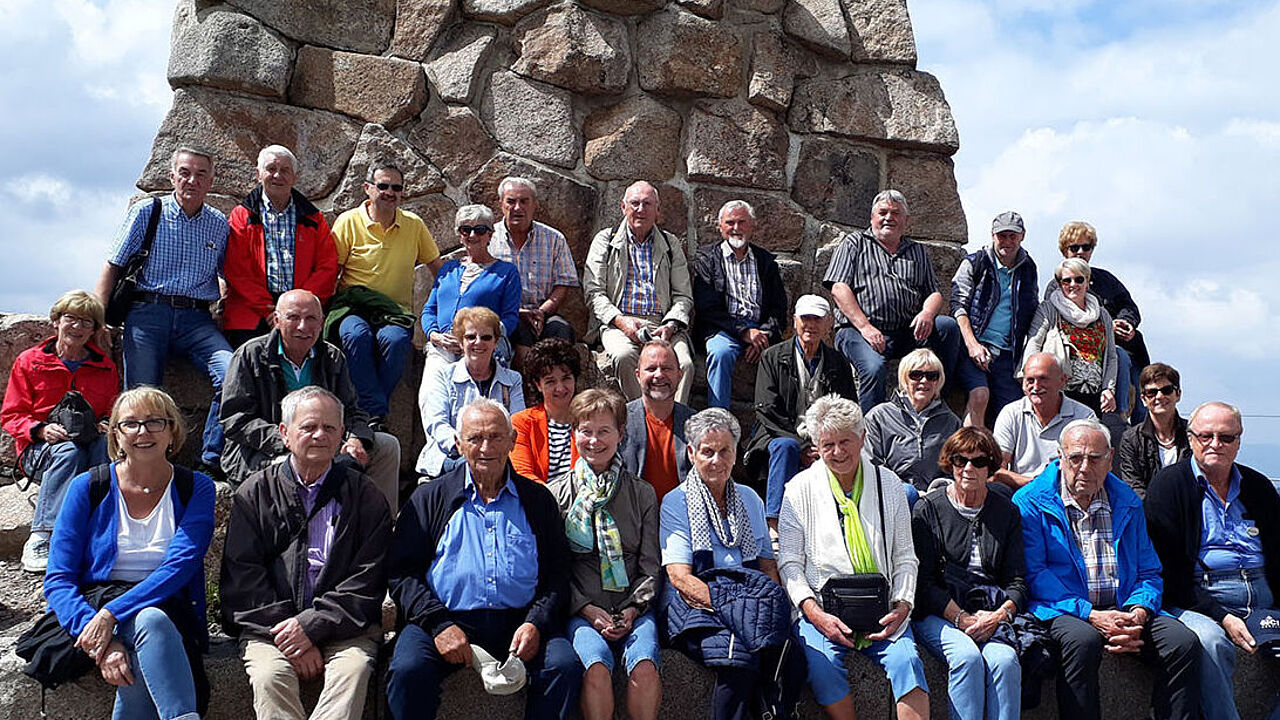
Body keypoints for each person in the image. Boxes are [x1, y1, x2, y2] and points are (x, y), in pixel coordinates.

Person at [386, 398, 582, 720]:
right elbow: (402, 573)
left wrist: (536, 621)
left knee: (564, 666)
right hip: (444, 617)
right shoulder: (429, 498)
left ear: (512, 441)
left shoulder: (537, 500)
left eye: (495, 436)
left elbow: (559, 572)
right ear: (460, 444)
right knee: (407, 671)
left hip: (520, 620)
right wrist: (438, 625)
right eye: (475, 438)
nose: (485, 447)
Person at [220, 387, 392, 720]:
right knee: (271, 678)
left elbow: (368, 578)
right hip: (270, 628)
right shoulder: (254, 493)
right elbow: (243, 578)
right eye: (309, 427)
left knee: (353, 672)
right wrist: (291, 632)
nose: (319, 435)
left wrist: (311, 626)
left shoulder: (365, 496)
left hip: (345, 628)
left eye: (329, 428)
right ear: (285, 434)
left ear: (342, 435)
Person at [44, 387, 215, 719]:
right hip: (92, 607)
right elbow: (59, 579)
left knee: (150, 620)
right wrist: (98, 636)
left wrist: (113, 617)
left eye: (155, 422)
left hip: (168, 604)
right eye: (130, 424)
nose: (143, 432)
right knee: (148, 625)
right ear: (116, 436)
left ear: (172, 432)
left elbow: (180, 566)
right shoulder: (87, 486)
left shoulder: (196, 487)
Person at [1013, 419, 1200, 720]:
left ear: (1110, 459)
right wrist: (1091, 614)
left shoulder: (1127, 500)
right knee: (1082, 641)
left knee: (1182, 642)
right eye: (1075, 458)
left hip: (1125, 605)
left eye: (1095, 458)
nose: (1084, 467)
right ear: (1060, 458)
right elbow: (1035, 575)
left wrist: (1138, 612)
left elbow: (1149, 571)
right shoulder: (1030, 502)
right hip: (1063, 609)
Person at [777, 394, 930, 720]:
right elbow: (789, 562)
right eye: (827, 444)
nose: (837, 452)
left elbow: (905, 556)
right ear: (816, 446)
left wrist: (902, 605)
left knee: (909, 664)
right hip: (822, 607)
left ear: (861, 438)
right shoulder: (798, 488)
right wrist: (814, 613)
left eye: (845, 441)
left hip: (883, 606)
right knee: (821, 666)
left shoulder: (889, 484)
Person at [93, 146, 233, 479]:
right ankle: (138, 465)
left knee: (232, 373)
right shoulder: (148, 211)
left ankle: (210, 460)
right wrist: (98, 318)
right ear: (172, 176)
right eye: (185, 172)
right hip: (147, 312)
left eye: (201, 174)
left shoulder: (219, 224)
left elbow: (228, 275)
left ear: (211, 181)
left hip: (196, 318)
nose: (192, 180)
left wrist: (225, 304)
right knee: (141, 396)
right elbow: (113, 265)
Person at [660, 408, 805, 720]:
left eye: (724, 451)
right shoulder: (677, 501)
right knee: (737, 657)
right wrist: (734, 609)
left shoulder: (750, 498)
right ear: (691, 453)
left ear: (736, 453)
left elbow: (767, 566)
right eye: (707, 452)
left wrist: (766, 607)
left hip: (748, 599)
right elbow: (680, 577)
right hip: (696, 606)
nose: (716, 460)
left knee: (791, 653)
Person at [1145, 402, 1280, 720]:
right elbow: (1169, 573)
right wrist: (1222, 616)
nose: (1215, 445)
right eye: (1206, 436)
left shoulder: (1258, 486)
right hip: (1197, 598)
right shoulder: (1169, 487)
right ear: (1190, 438)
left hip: (1262, 592)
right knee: (1210, 643)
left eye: (1225, 437)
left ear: (1239, 440)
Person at [219, 289, 402, 512]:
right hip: (263, 450)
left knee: (387, 446)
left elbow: (352, 410)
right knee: (289, 468)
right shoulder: (250, 356)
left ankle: (380, 525)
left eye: (311, 318)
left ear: (322, 322)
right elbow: (235, 420)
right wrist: (290, 440)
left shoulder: (332, 357)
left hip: (322, 441)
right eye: (293, 317)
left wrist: (356, 439)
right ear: (277, 320)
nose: (303, 327)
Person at [548, 389, 661, 720]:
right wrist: (586, 609)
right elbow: (556, 568)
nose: (594, 440)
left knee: (644, 666)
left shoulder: (642, 493)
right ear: (573, 434)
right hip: (581, 609)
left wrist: (632, 610)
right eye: (585, 431)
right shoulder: (556, 494)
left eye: (604, 431)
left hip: (633, 608)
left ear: (620, 434)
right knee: (595, 665)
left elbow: (651, 565)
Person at [911, 427, 1025, 720]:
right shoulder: (928, 509)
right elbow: (922, 585)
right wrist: (961, 618)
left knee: (1006, 660)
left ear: (991, 466)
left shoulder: (1007, 512)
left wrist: (998, 616)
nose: (968, 468)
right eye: (960, 460)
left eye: (978, 461)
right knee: (966, 656)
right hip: (938, 612)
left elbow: (1017, 582)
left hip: (990, 611)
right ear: (950, 463)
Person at [3, 290, 118, 573]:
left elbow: (113, 410)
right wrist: (40, 430)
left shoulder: (105, 367)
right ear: (56, 321)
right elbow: (11, 415)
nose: (77, 327)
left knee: (106, 447)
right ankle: (41, 536)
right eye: (71, 319)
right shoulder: (30, 361)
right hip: (39, 452)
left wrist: (105, 422)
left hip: (89, 448)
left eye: (87, 322)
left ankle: (97, 532)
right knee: (68, 451)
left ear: (94, 329)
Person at [823, 189, 961, 413]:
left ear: (905, 221)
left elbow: (934, 293)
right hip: (857, 332)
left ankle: (937, 404)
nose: (889, 218)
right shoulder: (854, 243)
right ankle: (872, 432)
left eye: (895, 213)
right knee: (874, 368)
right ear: (872, 217)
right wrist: (865, 327)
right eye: (883, 212)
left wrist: (927, 313)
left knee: (948, 327)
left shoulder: (917, 251)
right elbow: (838, 288)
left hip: (905, 332)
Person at [329, 163, 443, 423]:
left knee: (396, 342)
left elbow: (439, 269)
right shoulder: (348, 222)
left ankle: (366, 411)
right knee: (356, 336)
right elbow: (331, 270)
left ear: (402, 193)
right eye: (382, 186)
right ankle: (375, 413)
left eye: (396, 187)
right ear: (368, 188)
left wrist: (454, 304)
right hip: (353, 309)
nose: (389, 192)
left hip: (394, 312)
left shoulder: (414, 225)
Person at [742, 295, 857, 531]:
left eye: (817, 319)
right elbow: (766, 408)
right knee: (786, 447)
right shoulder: (772, 357)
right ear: (794, 321)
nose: (811, 325)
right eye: (805, 318)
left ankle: (840, 524)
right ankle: (774, 522)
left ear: (828, 324)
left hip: (824, 438)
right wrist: (802, 445)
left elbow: (847, 409)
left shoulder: (838, 363)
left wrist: (823, 444)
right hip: (778, 433)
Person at [583, 181, 695, 403]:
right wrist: (622, 321)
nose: (640, 209)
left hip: (663, 324)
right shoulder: (605, 241)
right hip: (619, 324)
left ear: (658, 210)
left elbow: (683, 296)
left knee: (685, 365)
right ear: (623, 207)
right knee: (624, 357)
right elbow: (593, 292)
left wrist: (671, 325)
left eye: (647, 204)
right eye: (635, 203)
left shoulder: (670, 244)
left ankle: (673, 421)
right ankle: (643, 419)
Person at [223, 144, 338, 348]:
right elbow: (236, 269)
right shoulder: (242, 216)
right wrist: (270, 311)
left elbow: (327, 267)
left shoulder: (313, 218)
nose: (278, 175)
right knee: (249, 369)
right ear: (259, 174)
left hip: (301, 311)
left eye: (285, 170)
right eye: (271, 169)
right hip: (253, 311)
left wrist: (296, 308)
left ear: (294, 178)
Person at [692, 200, 789, 409]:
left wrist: (763, 336)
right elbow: (707, 307)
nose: (736, 228)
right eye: (730, 223)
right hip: (723, 329)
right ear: (720, 227)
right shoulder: (707, 259)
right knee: (720, 354)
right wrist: (744, 332)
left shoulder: (765, 261)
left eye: (742, 222)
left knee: (784, 358)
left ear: (752, 225)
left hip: (760, 329)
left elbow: (779, 307)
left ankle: (768, 428)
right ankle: (718, 421)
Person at [1052, 222, 1150, 423]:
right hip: (1087, 350)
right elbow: (1057, 319)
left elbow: (1129, 306)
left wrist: (1126, 322)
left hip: (1127, 345)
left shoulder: (1106, 279)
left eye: (1086, 247)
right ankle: (1118, 417)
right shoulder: (1058, 284)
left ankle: (1143, 430)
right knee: (1119, 356)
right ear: (1065, 251)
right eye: (1074, 248)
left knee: (1146, 383)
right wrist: (1105, 329)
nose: (1080, 252)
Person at [950, 211, 1038, 428]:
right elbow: (957, 306)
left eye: (1012, 236)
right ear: (992, 235)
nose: (1007, 241)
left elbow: (1032, 311)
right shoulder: (974, 262)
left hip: (1008, 354)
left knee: (1015, 410)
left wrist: (1026, 361)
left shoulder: (1029, 268)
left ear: (1022, 236)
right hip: (974, 347)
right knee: (980, 396)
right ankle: (971, 455)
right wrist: (973, 346)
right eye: (1002, 236)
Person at [417, 307, 525, 478]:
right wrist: (468, 450)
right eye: (470, 337)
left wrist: (490, 451)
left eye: (486, 337)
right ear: (460, 342)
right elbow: (437, 424)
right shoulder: (442, 376)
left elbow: (517, 425)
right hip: (449, 455)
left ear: (496, 342)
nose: (478, 342)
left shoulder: (513, 380)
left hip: (496, 456)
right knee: (472, 467)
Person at [420, 203, 522, 378]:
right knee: (433, 398)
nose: (472, 235)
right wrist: (435, 335)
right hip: (443, 347)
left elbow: (510, 317)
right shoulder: (448, 269)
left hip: (481, 350)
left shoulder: (506, 272)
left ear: (490, 234)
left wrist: (477, 340)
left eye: (480, 230)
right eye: (466, 230)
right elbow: (430, 309)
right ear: (460, 235)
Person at [487, 176, 580, 365]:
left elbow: (563, 284)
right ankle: (526, 392)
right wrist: (518, 312)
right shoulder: (489, 239)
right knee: (518, 333)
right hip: (504, 315)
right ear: (500, 204)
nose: (517, 208)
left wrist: (541, 313)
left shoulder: (554, 239)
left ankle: (557, 390)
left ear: (535, 204)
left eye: (524, 201)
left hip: (544, 314)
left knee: (561, 332)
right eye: (511, 201)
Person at [864, 349, 962, 506]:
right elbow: (871, 463)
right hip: (891, 493)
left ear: (939, 381)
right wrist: (910, 491)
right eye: (916, 375)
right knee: (908, 494)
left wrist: (939, 487)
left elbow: (957, 465)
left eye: (932, 376)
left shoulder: (951, 422)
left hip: (935, 495)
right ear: (905, 378)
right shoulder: (879, 416)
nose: (924, 381)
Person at [1024, 258, 1118, 416]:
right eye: (1067, 280)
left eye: (1079, 279)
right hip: (1060, 392)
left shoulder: (1103, 315)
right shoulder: (1049, 309)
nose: (1073, 285)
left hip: (1094, 395)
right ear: (1060, 284)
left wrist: (1109, 389)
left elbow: (1111, 356)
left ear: (1087, 281)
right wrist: (1029, 378)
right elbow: (1034, 343)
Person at [992, 353, 1096, 489]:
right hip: (1024, 493)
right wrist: (1036, 484)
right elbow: (997, 470)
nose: (1036, 387)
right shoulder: (1011, 413)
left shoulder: (1084, 417)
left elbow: (1094, 467)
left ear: (1063, 380)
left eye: (1043, 379)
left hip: (1069, 492)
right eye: (1030, 380)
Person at [618, 340, 693, 502]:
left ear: (679, 375)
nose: (659, 375)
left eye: (666, 368)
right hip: (633, 519)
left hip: (683, 520)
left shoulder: (695, 424)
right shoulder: (619, 421)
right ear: (638, 376)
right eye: (651, 369)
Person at [511, 338, 581, 484]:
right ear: (538, 385)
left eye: (566, 378)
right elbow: (523, 473)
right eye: (550, 381)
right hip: (540, 501)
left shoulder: (590, 419)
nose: (560, 388)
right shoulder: (521, 423)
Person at [1117, 363, 1190, 498]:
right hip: (1148, 514)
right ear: (1143, 399)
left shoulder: (1194, 434)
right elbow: (1133, 485)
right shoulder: (1131, 439)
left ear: (1178, 394)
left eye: (1166, 390)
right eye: (1152, 392)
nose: (1159, 396)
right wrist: (1157, 512)